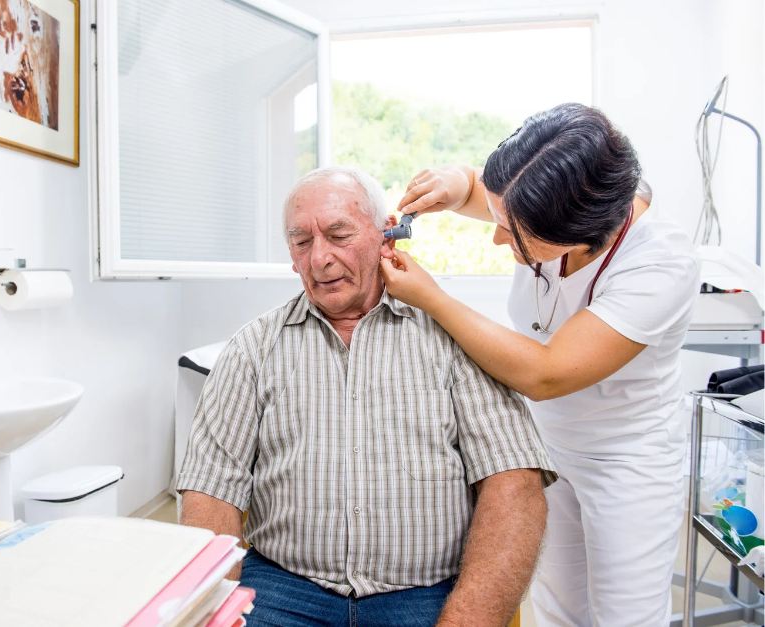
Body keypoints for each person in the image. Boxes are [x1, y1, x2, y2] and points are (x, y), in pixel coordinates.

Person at [177, 165, 557, 627]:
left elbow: (514, 485)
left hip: (427, 592)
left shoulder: (453, 337)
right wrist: (209, 612)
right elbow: (210, 491)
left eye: (339, 235)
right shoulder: (253, 348)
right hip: (285, 586)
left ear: (387, 238)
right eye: (302, 242)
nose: (320, 258)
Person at [380, 103, 700, 627]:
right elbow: (478, 191)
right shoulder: (547, 188)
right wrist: (455, 183)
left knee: (626, 616)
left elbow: (547, 372)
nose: (496, 237)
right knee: (556, 609)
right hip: (548, 446)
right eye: (499, 217)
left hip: (627, 458)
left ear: (577, 239)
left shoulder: (659, 264)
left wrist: (431, 298)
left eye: (514, 234)